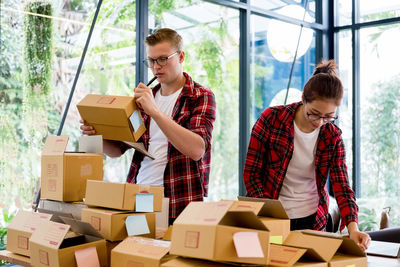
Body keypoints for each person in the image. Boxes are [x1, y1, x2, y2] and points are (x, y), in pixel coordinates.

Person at [80, 28, 216, 225]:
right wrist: (96, 135)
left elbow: (197, 149)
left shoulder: (200, 96)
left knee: (169, 255)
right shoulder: (145, 99)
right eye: (151, 61)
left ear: (181, 57)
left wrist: (155, 111)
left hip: (178, 201)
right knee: (137, 252)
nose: (156, 67)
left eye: (163, 59)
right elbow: (118, 150)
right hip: (139, 198)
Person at [243, 60, 371, 251]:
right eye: (314, 114)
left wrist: (353, 228)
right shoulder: (271, 119)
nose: (320, 122)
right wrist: (270, 213)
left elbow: (342, 186)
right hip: (272, 218)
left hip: (312, 220)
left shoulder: (332, 136)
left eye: (328, 117)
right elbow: (251, 174)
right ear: (303, 98)